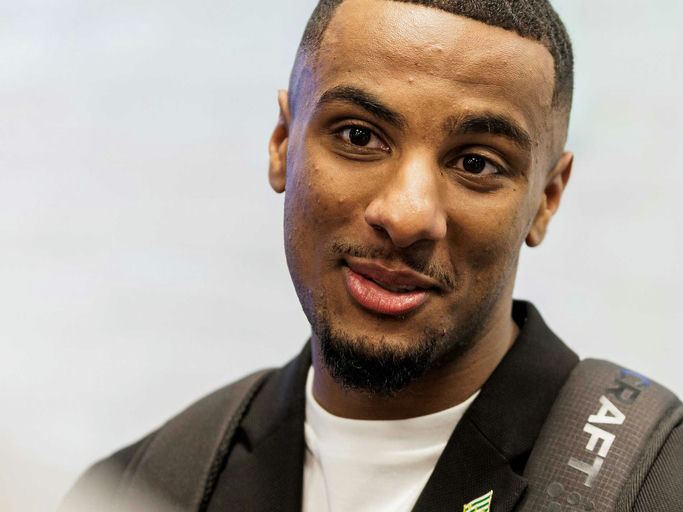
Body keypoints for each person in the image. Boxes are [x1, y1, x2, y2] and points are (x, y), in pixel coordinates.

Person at [61, 0, 682, 511]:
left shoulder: (658, 483)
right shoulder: (142, 489)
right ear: (282, 142)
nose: (407, 215)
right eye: (358, 136)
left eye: (476, 163)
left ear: (547, 198)